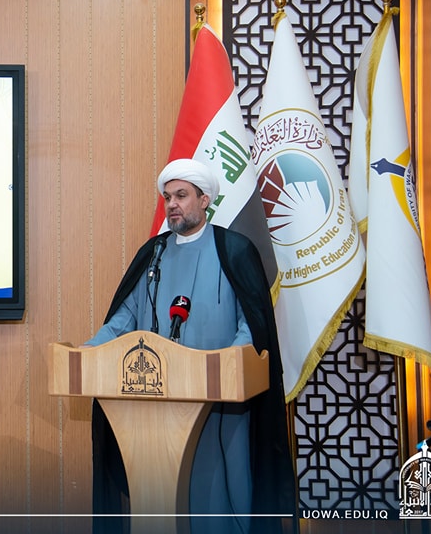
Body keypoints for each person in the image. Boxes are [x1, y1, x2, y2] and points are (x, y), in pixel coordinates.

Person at [85, 158, 296, 534]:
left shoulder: (234, 250)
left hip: (222, 407)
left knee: (221, 501)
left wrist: (230, 363)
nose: (172, 205)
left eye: (181, 195)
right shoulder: (153, 254)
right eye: (167, 197)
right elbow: (124, 317)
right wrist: (89, 352)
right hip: (156, 407)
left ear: (204, 200)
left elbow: (252, 325)